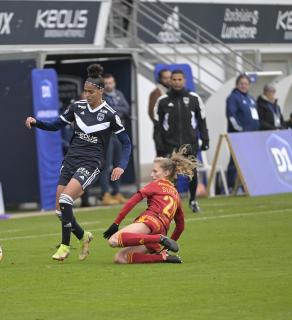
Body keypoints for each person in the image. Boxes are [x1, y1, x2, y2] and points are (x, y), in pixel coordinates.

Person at [25, 64, 132, 261]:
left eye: (91, 92)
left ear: (100, 91)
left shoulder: (110, 114)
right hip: (71, 160)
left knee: (66, 200)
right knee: (60, 211)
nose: (87, 95)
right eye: (85, 91)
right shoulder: (77, 107)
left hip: (91, 163)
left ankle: (65, 246)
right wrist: (37, 122)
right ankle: (84, 235)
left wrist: (121, 165)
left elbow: (126, 143)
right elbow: (55, 125)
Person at [103, 146, 197, 264]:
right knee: (120, 258)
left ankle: (159, 239)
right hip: (161, 230)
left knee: (113, 240)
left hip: (151, 222)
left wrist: (116, 223)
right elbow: (180, 226)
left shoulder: (156, 184)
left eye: (155, 171)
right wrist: (166, 249)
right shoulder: (176, 195)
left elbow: (132, 201)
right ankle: (162, 257)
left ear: (166, 172)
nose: (152, 175)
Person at [156, 69, 209, 212]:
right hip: (170, 145)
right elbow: (157, 126)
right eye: (174, 79)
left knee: (191, 173)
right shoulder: (162, 101)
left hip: (189, 144)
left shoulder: (194, 98)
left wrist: (205, 139)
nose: (177, 82)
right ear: (170, 81)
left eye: (180, 79)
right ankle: (170, 204)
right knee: (168, 176)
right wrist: (159, 145)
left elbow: (202, 120)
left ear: (184, 81)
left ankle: (192, 200)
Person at [100, 73, 130, 205]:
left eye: (110, 82)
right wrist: (117, 111)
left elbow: (127, 109)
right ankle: (105, 194)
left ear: (114, 83)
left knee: (118, 165)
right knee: (106, 165)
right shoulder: (100, 96)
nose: (109, 85)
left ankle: (117, 192)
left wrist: (114, 110)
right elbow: (105, 112)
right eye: (106, 83)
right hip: (106, 134)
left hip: (119, 133)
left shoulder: (119, 94)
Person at [226, 74, 260, 190]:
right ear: (237, 85)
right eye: (241, 84)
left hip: (252, 135)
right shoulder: (233, 98)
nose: (244, 86)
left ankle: (247, 185)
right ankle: (232, 186)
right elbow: (231, 116)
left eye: (246, 84)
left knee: (249, 161)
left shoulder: (251, 99)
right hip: (239, 135)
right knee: (235, 161)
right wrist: (241, 130)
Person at [149, 69, 172, 157]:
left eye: (170, 77)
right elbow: (152, 113)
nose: (168, 80)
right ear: (160, 79)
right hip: (161, 132)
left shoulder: (172, 91)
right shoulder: (156, 93)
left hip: (173, 132)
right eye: (165, 78)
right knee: (163, 159)